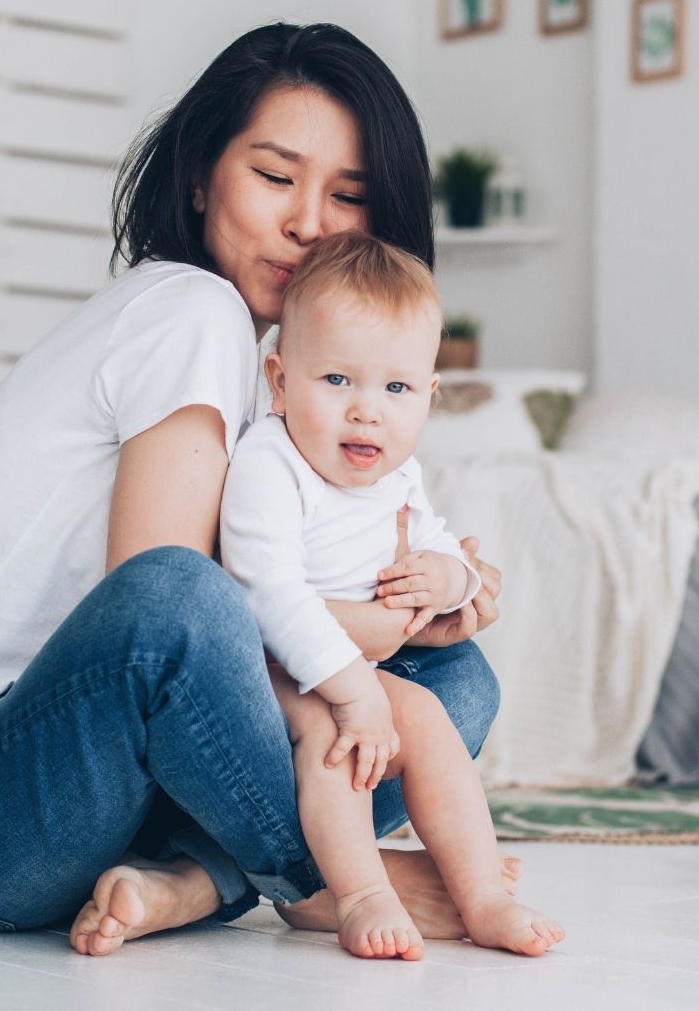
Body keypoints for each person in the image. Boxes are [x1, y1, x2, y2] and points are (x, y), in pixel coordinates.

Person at [0, 22, 512, 955]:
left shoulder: (279, 388)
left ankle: (186, 881)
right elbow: (170, 616)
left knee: (451, 682)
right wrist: (372, 629)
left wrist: (428, 593)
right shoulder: (190, 309)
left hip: (102, 788)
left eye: (349, 195)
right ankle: (320, 881)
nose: (310, 222)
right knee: (188, 597)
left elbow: (257, 623)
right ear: (199, 178)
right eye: (274, 176)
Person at [221, 235, 564, 960]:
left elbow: (443, 546)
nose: (366, 412)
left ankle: (483, 898)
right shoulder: (270, 461)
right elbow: (265, 592)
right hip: (265, 671)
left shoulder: (396, 478)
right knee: (338, 739)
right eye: (338, 380)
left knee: (432, 719)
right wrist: (352, 692)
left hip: (354, 667)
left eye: (396, 389)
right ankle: (361, 894)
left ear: (428, 398)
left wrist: (450, 579)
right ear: (281, 381)